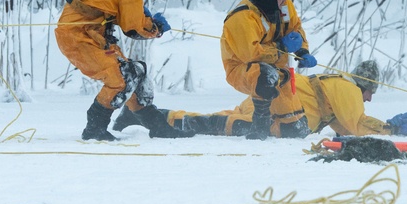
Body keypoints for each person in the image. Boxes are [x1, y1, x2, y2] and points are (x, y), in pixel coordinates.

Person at [55, 0, 193, 141]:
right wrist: (155, 27)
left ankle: (156, 125)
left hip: (90, 35)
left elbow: (104, 3)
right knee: (121, 78)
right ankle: (94, 128)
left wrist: (133, 11)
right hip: (78, 38)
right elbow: (133, 28)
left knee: (136, 72)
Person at [163, 59, 394, 137]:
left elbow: (344, 126)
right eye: (370, 92)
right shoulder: (349, 90)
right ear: (363, 85)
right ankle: (172, 120)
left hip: (271, 102)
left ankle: (169, 118)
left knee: (231, 117)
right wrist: (391, 129)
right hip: (280, 110)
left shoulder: (337, 85)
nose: (369, 99)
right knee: (231, 124)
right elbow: (357, 126)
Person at [218, 0, 317, 139]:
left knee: (294, 129)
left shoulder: (284, 5)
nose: (285, 0)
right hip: (243, 70)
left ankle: (272, 126)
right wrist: (282, 47)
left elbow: (295, 27)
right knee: (264, 74)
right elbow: (252, 54)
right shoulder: (243, 17)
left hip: (278, 70)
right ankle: (258, 125)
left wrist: (302, 50)